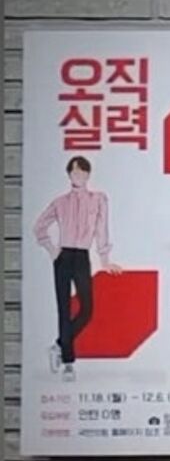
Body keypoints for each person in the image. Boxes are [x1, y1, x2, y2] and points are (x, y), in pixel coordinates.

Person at [34, 156, 122, 382]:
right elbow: (39, 227)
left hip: (82, 256)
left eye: (82, 172)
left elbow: (101, 230)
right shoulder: (60, 202)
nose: (78, 176)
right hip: (63, 256)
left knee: (87, 309)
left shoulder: (98, 199)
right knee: (63, 309)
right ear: (69, 175)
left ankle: (59, 345)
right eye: (74, 172)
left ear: (88, 174)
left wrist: (105, 260)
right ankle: (68, 364)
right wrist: (52, 250)